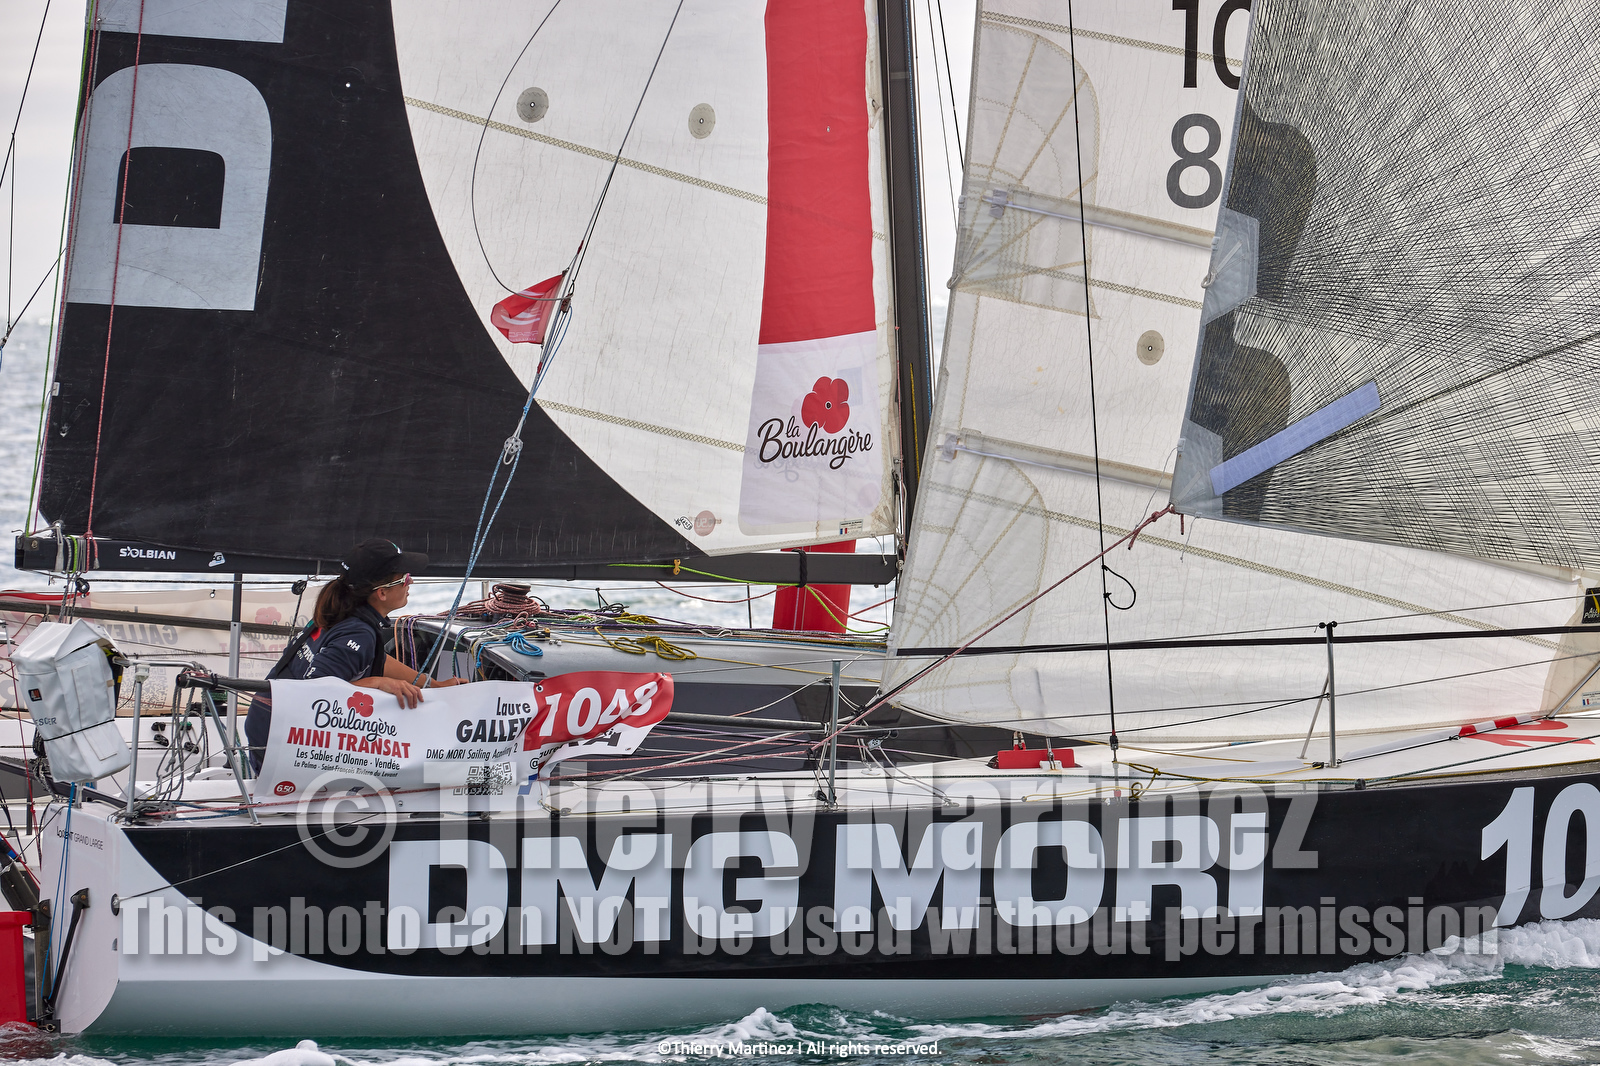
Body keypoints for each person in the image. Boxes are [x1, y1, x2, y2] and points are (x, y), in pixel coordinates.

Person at [244, 538, 466, 772]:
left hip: (266, 723)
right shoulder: (359, 633)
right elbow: (311, 695)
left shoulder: (341, 611)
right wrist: (377, 683)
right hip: (281, 743)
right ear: (381, 593)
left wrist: (434, 685)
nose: (410, 583)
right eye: (406, 578)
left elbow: (376, 660)